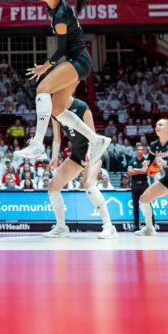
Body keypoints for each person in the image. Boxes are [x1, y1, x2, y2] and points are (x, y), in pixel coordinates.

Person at [0, 0, 109, 165]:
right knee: (57, 109)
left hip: (78, 61)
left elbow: (61, 49)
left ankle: (38, 144)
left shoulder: (60, 16)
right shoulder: (53, 0)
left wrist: (45, 66)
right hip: (76, 61)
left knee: (42, 88)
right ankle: (97, 139)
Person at [42, 97, 116, 239]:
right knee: (53, 187)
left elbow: (94, 137)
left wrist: (89, 154)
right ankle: (61, 227)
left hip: (94, 150)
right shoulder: (55, 109)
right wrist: (54, 157)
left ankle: (109, 227)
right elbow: (57, 138)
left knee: (88, 184)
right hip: (77, 153)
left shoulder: (81, 106)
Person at [126, 144, 149, 231]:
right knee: (135, 206)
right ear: (136, 151)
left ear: (144, 151)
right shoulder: (132, 161)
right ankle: (136, 226)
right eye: (138, 149)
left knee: (147, 204)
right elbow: (129, 172)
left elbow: (145, 171)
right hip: (135, 184)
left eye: (141, 149)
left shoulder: (146, 161)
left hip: (144, 184)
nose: (140, 151)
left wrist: (135, 170)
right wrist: (140, 171)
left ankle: (151, 225)